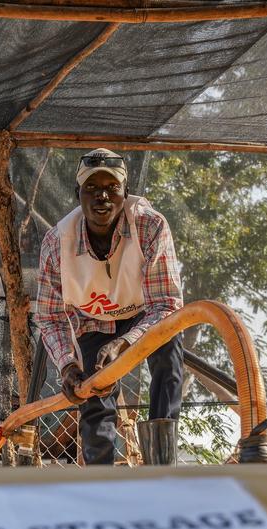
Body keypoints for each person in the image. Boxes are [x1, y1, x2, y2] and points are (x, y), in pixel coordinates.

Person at [34, 148, 184, 465]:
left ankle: (161, 465)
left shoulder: (150, 226)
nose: (102, 196)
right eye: (91, 187)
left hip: (144, 317)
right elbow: (50, 318)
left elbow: (167, 305)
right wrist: (67, 366)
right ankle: (99, 479)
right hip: (94, 322)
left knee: (168, 345)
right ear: (77, 194)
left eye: (111, 187)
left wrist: (125, 344)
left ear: (125, 193)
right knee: (93, 395)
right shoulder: (56, 242)